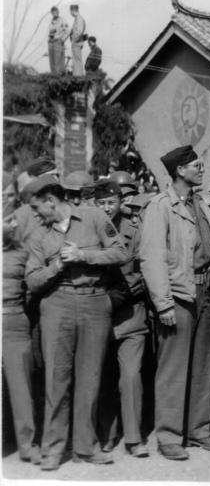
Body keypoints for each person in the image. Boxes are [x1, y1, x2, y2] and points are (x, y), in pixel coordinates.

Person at [24, 175, 126, 470]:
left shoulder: (94, 216)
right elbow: (32, 281)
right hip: (57, 304)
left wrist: (84, 255)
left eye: (37, 207)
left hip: (95, 302)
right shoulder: (40, 236)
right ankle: (53, 449)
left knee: (91, 377)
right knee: (57, 378)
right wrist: (57, 265)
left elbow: (120, 251)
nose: (34, 214)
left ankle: (86, 445)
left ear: (52, 201)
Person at [137, 145, 210, 460]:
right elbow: (152, 259)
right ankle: (169, 436)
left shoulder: (202, 204)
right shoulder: (160, 206)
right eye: (196, 165)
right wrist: (164, 304)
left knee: (202, 367)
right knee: (173, 370)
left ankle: (198, 431)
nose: (202, 169)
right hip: (177, 296)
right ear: (179, 171)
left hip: (204, 294)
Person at [94, 181, 150, 457]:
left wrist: (122, 292)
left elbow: (143, 269)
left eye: (111, 202)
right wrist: (106, 295)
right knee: (103, 378)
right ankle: (107, 433)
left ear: (120, 202)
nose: (107, 208)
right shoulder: (89, 227)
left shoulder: (134, 229)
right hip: (97, 315)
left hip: (131, 316)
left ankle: (133, 437)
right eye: (101, 203)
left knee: (130, 377)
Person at [2, 207, 40, 465]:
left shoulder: (22, 251)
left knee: (21, 385)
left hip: (14, 321)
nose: (15, 224)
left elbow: (29, 291)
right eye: (8, 220)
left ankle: (27, 445)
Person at [47, 6, 69, 74]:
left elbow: (68, 30)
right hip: (51, 42)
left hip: (58, 41)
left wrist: (63, 39)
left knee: (58, 60)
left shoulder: (63, 20)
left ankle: (58, 76)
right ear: (51, 13)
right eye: (53, 13)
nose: (55, 14)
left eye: (56, 12)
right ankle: (53, 76)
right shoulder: (51, 21)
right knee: (51, 60)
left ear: (58, 12)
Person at [69, 4, 87, 77]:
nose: (70, 13)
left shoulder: (79, 19)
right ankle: (77, 76)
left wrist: (74, 39)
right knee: (76, 61)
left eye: (71, 12)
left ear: (73, 11)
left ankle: (78, 77)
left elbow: (79, 31)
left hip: (77, 43)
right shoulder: (77, 19)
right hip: (77, 43)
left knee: (77, 61)